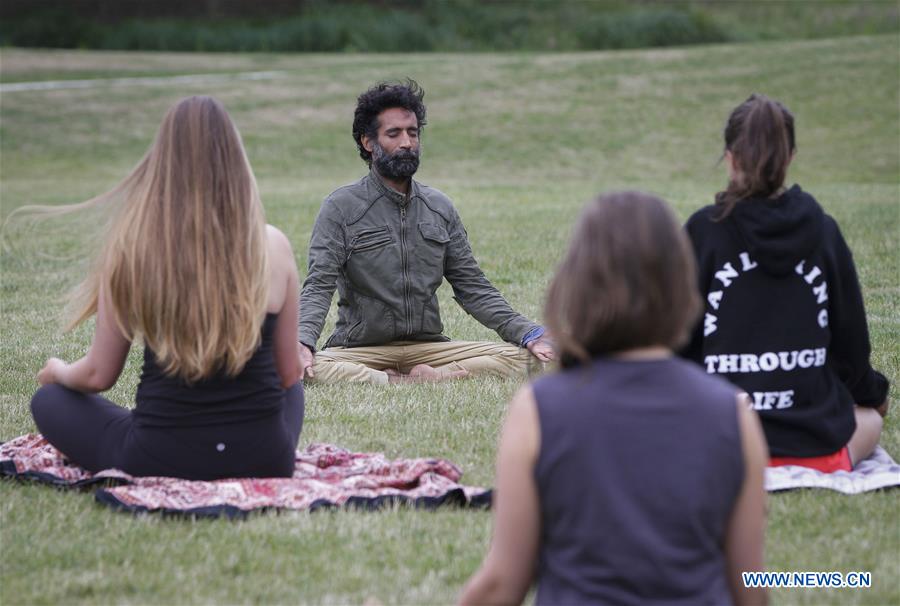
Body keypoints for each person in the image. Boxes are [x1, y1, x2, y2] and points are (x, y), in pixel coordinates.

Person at [460, 192, 768, 606]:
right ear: (681, 283)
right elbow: (748, 586)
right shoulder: (733, 411)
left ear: (577, 283)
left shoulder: (539, 410)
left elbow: (503, 583)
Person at [27, 96, 304, 481]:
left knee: (49, 400)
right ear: (235, 161)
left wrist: (58, 371)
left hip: (160, 456)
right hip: (266, 459)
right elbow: (289, 374)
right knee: (291, 393)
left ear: (163, 164)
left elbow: (96, 376)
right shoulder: (273, 246)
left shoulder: (134, 249)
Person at [681, 93, 889, 472]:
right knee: (871, 419)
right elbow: (851, 345)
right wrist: (875, 395)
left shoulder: (701, 232)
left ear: (729, 157)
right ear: (790, 156)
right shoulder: (824, 231)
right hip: (814, 444)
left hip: (721, 445)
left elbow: (677, 342)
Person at [298, 79, 553, 385]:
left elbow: (473, 287)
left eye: (413, 132)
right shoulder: (340, 207)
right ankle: (393, 379)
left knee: (532, 359)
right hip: (360, 350)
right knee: (303, 367)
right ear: (368, 142)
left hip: (429, 349)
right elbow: (318, 286)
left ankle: (429, 375)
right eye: (394, 134)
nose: (407, 143)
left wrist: (531, 334)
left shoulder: (439, 207)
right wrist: (302, 343)